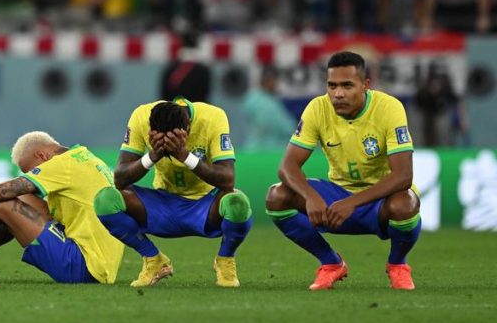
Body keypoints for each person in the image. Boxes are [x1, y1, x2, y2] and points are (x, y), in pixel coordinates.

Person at [265, 51, 420, 290]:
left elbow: (403, 176)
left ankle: (398, 265)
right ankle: (331, 263)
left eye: (347, 85)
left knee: (405, 204)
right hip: (337, 196)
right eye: (332, 86)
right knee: (277, 197)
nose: (338, 94)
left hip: (379, 201)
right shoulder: (317, 108)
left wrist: (353, 203)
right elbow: (287, 166)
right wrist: (311, 197)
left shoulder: (389, 108)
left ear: (365, 85)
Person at [0, 131, 124, 285]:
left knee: (4, 204)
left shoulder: (62, 164)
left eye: (31, 171)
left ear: (42, 156)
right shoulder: (87, 159)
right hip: (100, 264)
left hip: (83, 267)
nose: (32, 176)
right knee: (21, 202)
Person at [102, 98, 251, 288]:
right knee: (106, 200)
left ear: (187, 129)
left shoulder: (213, 117)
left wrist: (184, 155)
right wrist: (153, 155)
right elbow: (120, 179)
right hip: (161, 205)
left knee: (237, 202)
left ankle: (225, 260)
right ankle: (153, 259)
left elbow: (228, 180)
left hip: (205, 206)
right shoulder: (141, 116)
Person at [241, 66, 297, 150]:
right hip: (261, 149)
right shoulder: (258, 99)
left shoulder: (270, 100)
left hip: (264, 148)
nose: (276, 84)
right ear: (267, 80)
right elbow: (278, 125)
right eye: (274, 80)